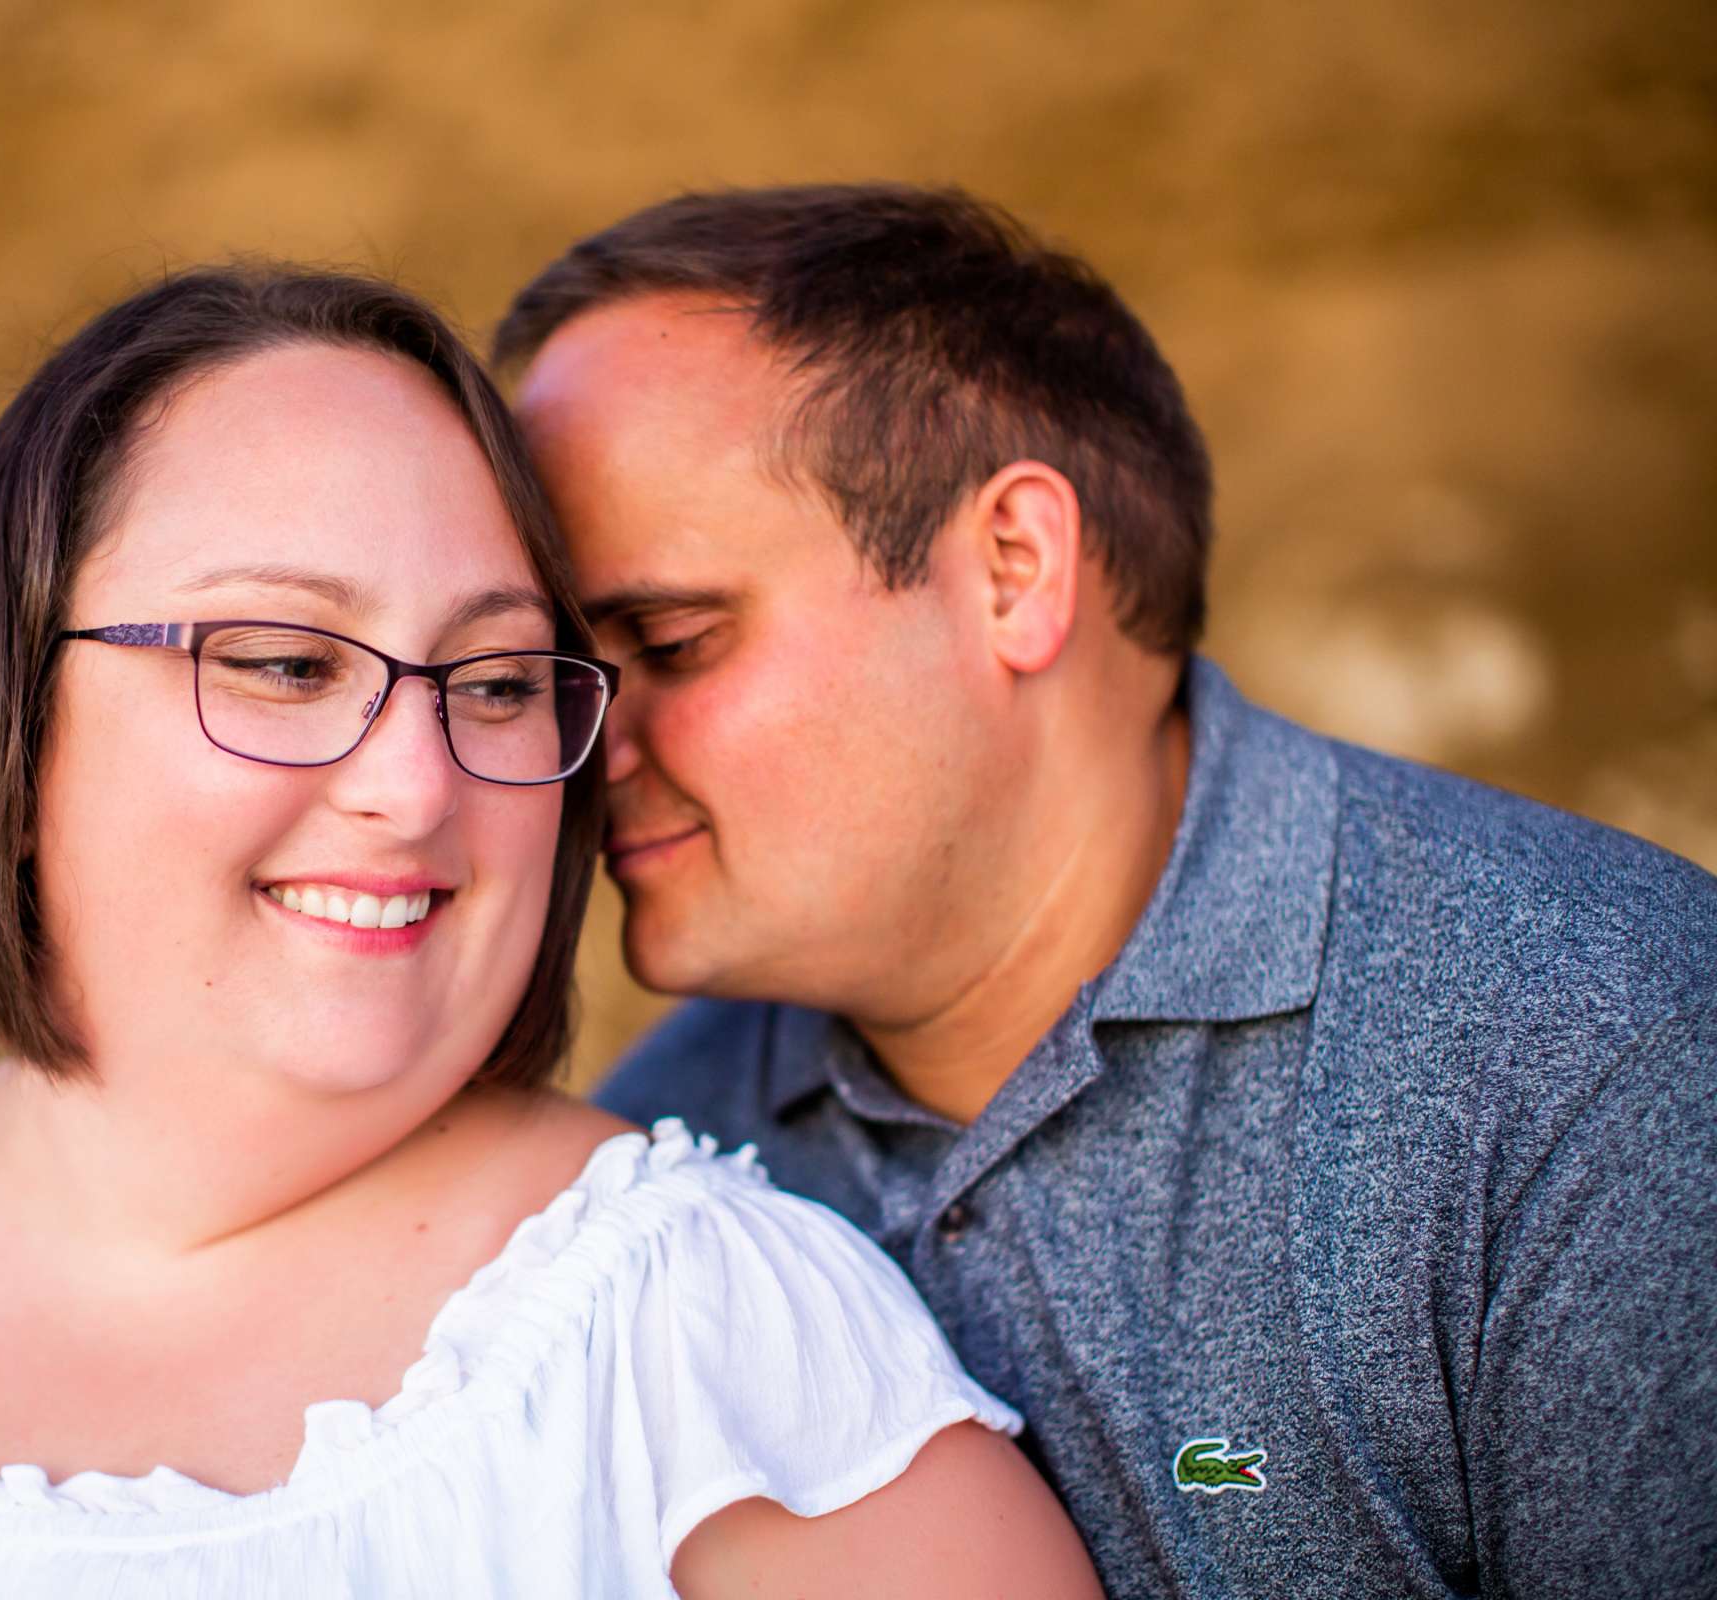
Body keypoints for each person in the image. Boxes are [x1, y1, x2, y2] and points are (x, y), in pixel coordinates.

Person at [0, 265, 1099, 1598]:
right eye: (280, 664)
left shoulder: (709, 1348)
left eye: (490, 682)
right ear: (10, 694)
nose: (414, 789)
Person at [496, 184, 1717, 1597]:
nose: (583, 755)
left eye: (668, 639)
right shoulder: (651, 1177)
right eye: (557, 682)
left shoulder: (1599, 1061)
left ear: (1015, 570)